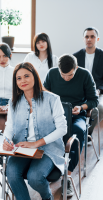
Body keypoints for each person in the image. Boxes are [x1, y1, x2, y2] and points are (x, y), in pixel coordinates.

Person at [3, 62, 67, 200]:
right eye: (18, 78)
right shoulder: (14, 101)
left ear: (35, 76)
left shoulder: (53, 99)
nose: (23, 80)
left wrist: (36, 143)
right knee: (12, 174)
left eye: (26, 76)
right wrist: (6, 140)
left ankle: (47, 197)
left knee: (35, 178)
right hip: (22, 148)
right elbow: (9, 126)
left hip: (47, 149)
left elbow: (62, 128)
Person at [44, 54, 98, 197]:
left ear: (76, 68)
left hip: (76, 115)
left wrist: (81, 107)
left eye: (70, 75)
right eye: (63, 75)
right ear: (58, 70)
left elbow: (94, 100)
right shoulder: (52, 73)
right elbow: (43, 94)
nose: (66, 78)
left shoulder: (85, 75)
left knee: (77, 132)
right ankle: (49, 168)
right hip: (54, 116)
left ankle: (66, 177)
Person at [73, 27, 103, 139]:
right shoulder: (75, 57)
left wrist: (99, 90)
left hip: (99, 91)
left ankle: (86, 133)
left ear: (97, 39)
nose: (89, 39)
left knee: (100, 108)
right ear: (83, 39)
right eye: (86, 36)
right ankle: (77, 131)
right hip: (80, 91)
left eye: (92, 36)